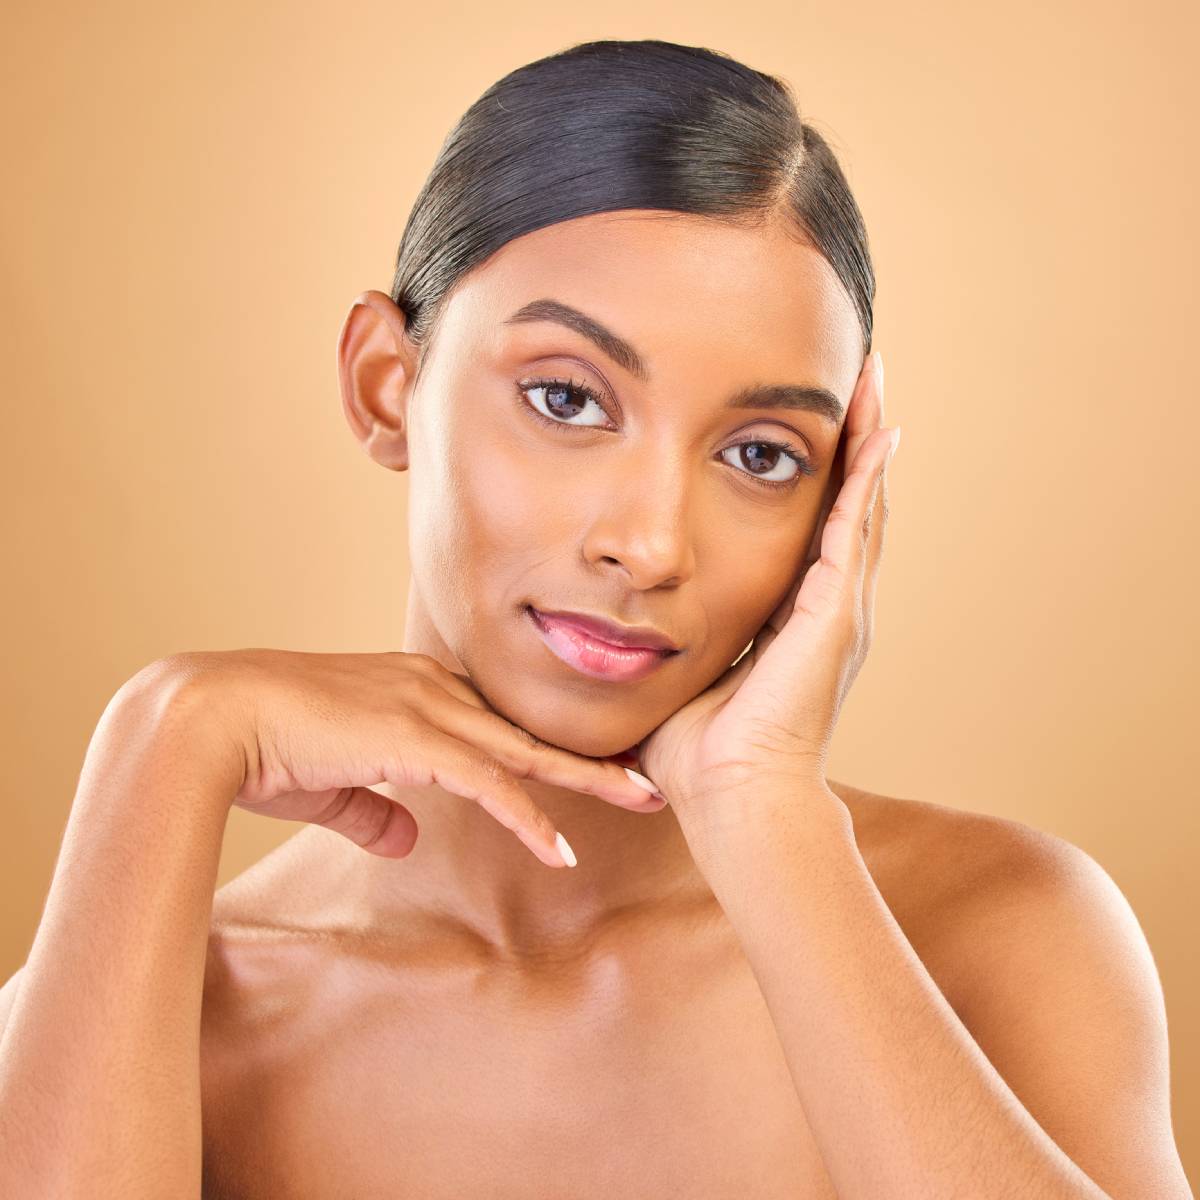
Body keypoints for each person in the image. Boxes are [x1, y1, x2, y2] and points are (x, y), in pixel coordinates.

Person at [0, 38, 1191, 1200]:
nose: (652, 544)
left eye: (763, 454)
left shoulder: (1002, 933)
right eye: (567, 397)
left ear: (842, 498)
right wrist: (161, 740)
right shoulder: (148, 1015)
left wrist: (764, 809)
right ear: (384, 384)